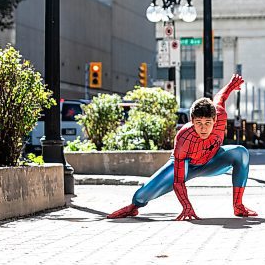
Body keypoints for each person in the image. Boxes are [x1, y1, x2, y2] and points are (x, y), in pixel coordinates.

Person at [107, 74, 257, 220]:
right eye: (199, 123)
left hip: (211, 162)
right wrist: (186, 206)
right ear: (192, 121)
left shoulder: (220, 115)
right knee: (140, 196)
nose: (203, 129)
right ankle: (133, 208)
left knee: (241, 153)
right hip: (186, 165)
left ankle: (238, 205)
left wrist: (231, 86)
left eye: (207, 123)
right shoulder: (184, 137)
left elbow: (220, 97)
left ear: (215, 119)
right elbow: (178, 181)